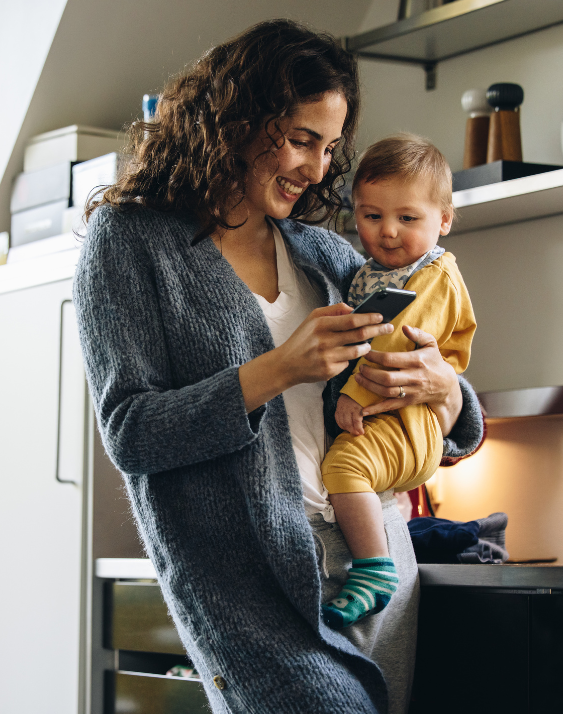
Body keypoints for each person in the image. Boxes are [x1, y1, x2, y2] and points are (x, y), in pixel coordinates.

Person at [73, 20, 484, 714]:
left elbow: (454, 423)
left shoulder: (324, 255)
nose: (318, 169)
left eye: (329, 148)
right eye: (299, 140)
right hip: (250, 584)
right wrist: (280, 368)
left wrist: (445, 388)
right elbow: (131, 432)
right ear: (233, 120)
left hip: (377, 553)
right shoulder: (132, 240)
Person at [321, 135, 476, 629]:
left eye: (407, 219)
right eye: (371, 216)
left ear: (443, 220)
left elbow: (396, 346)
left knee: (344, 469)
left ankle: (373, 568)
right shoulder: (371, 271)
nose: (387, 232)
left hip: (404, 417)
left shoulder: (433, 275)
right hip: (401, 417)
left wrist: (352, 397)